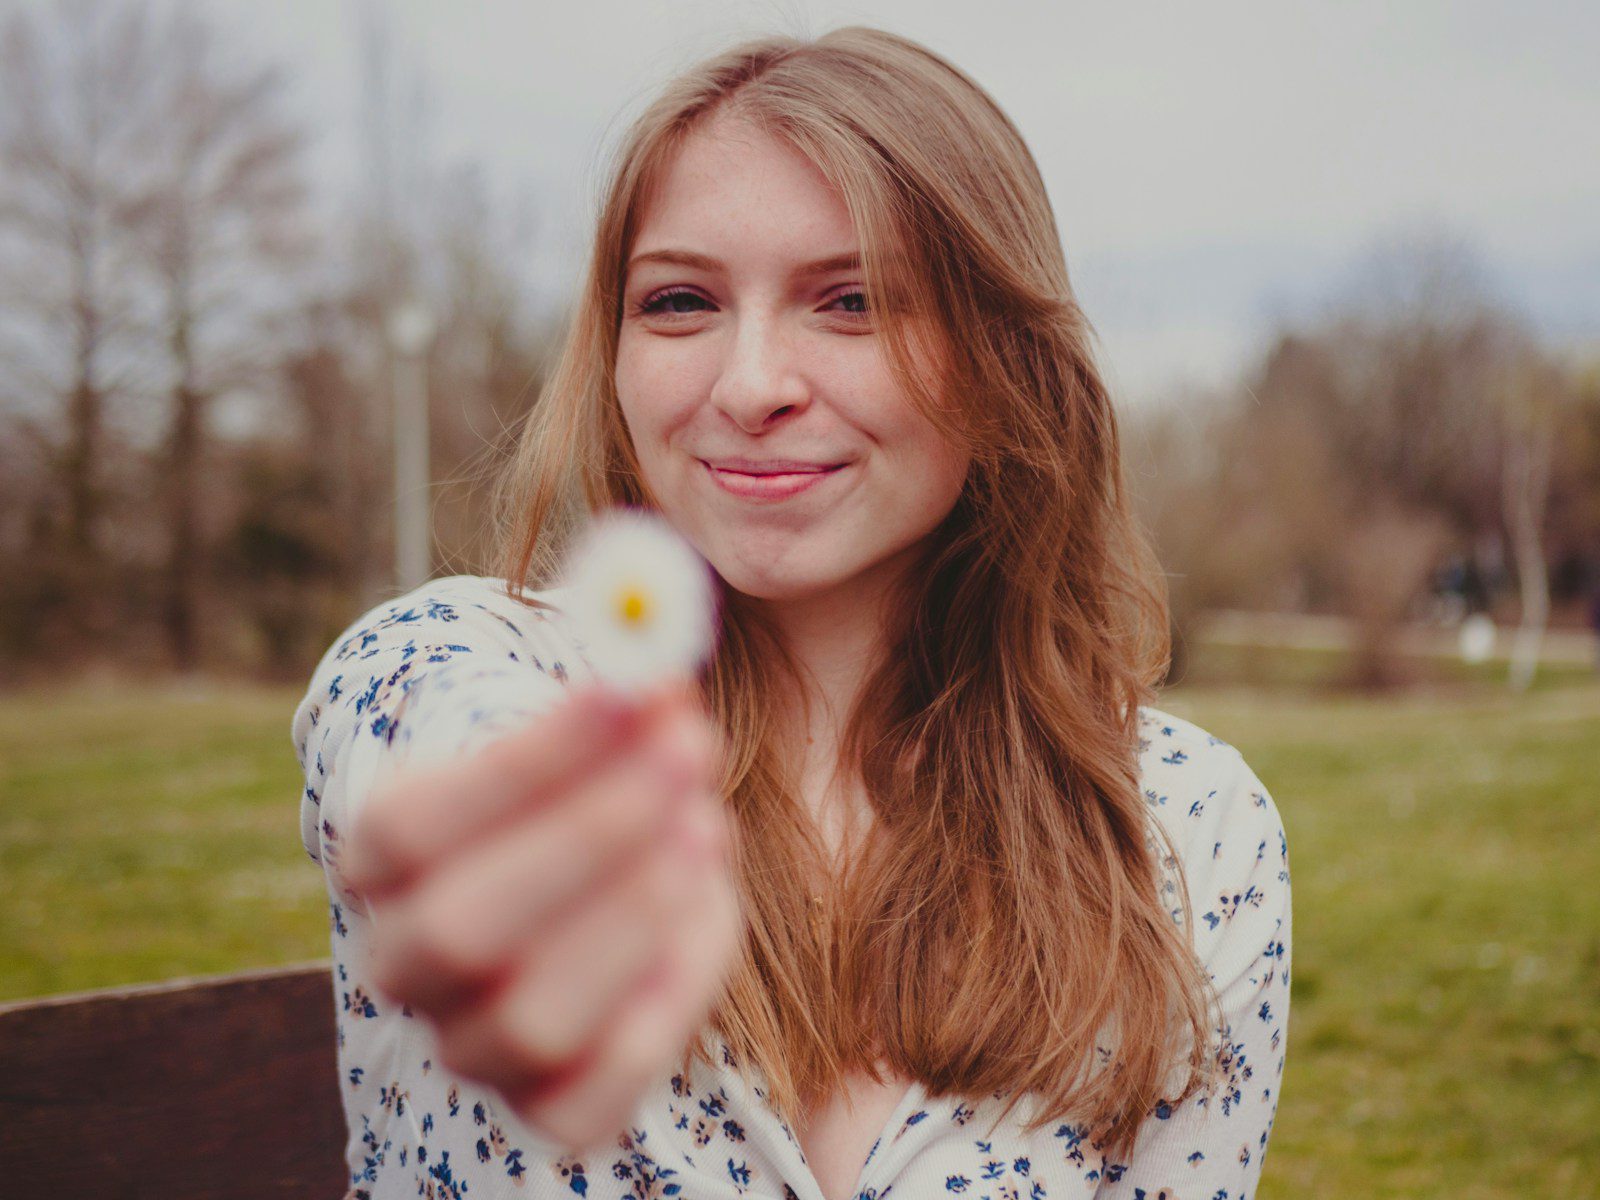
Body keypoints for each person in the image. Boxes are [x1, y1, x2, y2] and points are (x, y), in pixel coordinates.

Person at [293, 26, 1292, 1200]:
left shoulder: (1185, 831)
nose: (752, 384)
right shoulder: (454, 667)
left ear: (1001, 357)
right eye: (678, 301)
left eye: (852, 300)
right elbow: (428, 736)